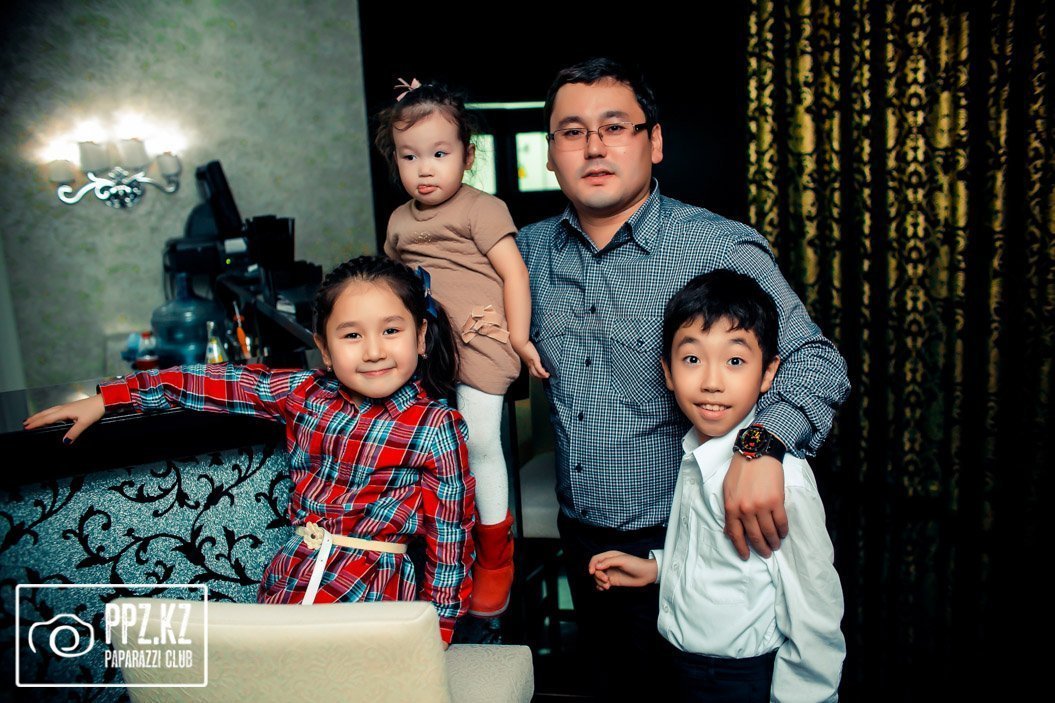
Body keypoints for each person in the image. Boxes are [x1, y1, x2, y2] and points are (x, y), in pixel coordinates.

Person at [517, 58, 850, 693]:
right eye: (572, 131)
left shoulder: (717, 245)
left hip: (705, 541)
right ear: (552, 154)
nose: (594, 147)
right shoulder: (523, 254)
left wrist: (761, 448)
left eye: (616, 126)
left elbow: (816, 361)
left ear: (655, 142)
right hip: (584, 541)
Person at [23, 256, 475, 646]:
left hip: (373, 593)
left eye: (391, 330)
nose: (374, 351)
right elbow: (215, 382)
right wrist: (112, 398)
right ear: (323, 348)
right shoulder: (305, 393)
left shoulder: (435, 427)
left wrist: (438, 630)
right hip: (294, 574)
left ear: (420, 336)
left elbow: (450, 539)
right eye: (352, 336)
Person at [590, 270, 845, 702]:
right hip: (677, 664)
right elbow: (715, 558)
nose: (711, 381)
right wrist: (657, 568)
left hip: (737, 678)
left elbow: (814, 609)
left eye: (735, 361)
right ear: (667, 371)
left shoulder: (781, 477)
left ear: (768, 373)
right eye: (692, 359)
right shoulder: (694, 449)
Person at [375, 79, 547, 617]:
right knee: (419, 446)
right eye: (410, 156)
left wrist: (519, 337)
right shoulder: (399, 221)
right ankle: (437, 548)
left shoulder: (482, 208)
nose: (424, 169)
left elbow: (515, 275)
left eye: (440, 154)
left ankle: (495, 555)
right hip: (426, 348)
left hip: (478, 340)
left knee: (478, 444)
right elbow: (390, 286)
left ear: (467, 157)